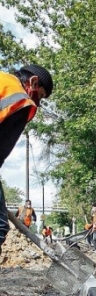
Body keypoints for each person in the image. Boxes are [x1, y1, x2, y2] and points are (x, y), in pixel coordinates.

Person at [0, 64, 54, 253]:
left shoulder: (3, 80)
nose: (37, 103)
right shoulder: (21, 101)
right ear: (32, 82)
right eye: (40, 96)